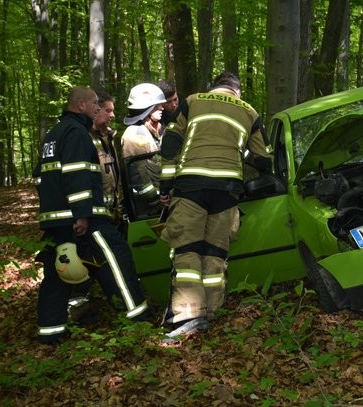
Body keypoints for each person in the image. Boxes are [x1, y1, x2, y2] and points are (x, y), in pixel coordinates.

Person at [158, 71, 273, 341]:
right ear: (237, 92)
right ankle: (210, 313)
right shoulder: (250, 112)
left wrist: (166, 187)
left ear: (213, 88)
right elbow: (264, 161)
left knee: (187, 251)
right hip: (227, 191)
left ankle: (188, 316)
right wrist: (239, 149)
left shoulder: (194, 100)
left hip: (191, 187)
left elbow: (170, 145)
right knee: (214, 253)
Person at [33, 87, 150, 344]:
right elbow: (77, 175)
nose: (97, 108)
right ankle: (137, 319)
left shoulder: (53, 135)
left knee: (58, 273)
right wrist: (82, 214)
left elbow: (39, 178)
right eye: (95, 104)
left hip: (58, 221)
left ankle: (50, 330)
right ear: (80, 104)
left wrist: (54, 215)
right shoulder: (76, 133)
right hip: (85, 218)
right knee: (117, 259)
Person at [121, 83, 166, 217]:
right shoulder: (136, 135)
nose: (161, 108)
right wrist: (156, 201)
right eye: (157, 106)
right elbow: (139, 177)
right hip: (147, 209)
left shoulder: (150, 132)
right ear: (146, 108)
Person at [91, 91, 122, 223]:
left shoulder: (112, 137)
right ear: (95, 110)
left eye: (113, 111)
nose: (112, 115)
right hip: (97, 215)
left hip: (116, 212)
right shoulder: (83, 138)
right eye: (107, 110)